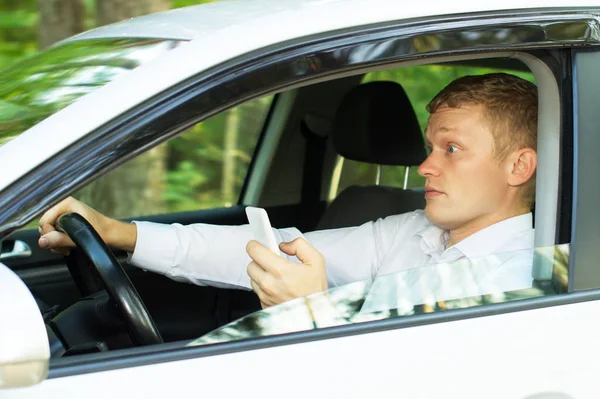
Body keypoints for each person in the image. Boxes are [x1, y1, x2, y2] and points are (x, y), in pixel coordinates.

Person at [38, 73, 538, 309]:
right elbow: (267, 251)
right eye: (430, 146)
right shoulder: (413, 231)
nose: (425, 164)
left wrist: (311, 315)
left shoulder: (535, 280)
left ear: (518, 166)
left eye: (451, 149)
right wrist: (120, 232)